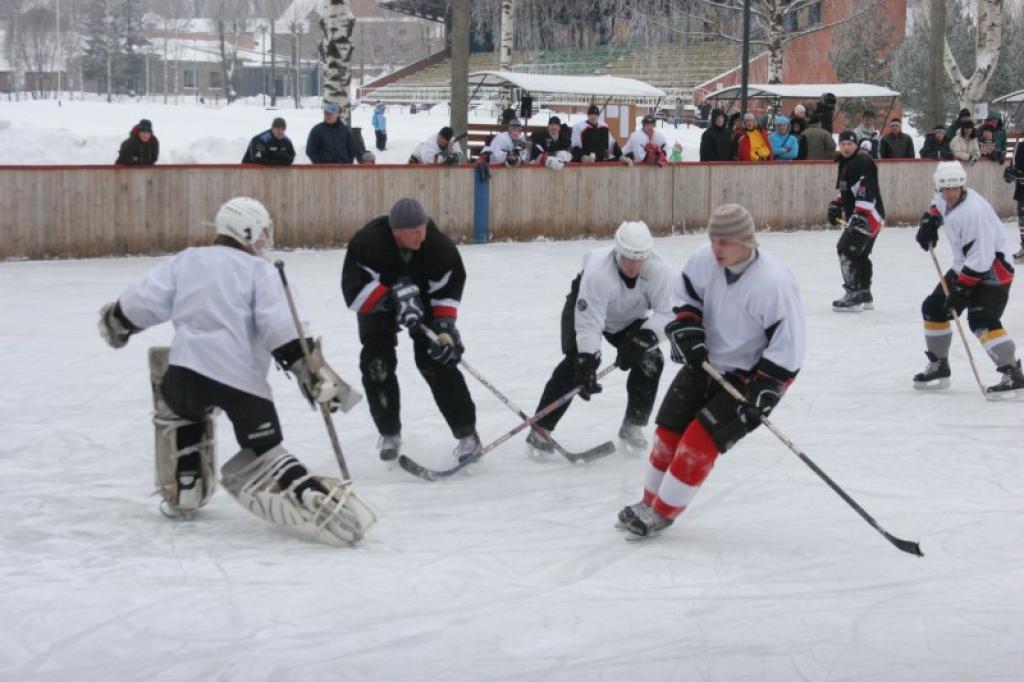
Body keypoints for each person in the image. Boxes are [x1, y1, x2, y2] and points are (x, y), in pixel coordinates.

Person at [96, 197, 374, 545]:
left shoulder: (188, 260)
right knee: (267, 450)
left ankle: (187, 485)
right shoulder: (262, 271)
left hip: (187, 372)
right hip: (241, 382)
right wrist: (308, 369)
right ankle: (307, 494)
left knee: (182, 411)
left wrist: (119, 320)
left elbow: (144, 301)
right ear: (245, 230)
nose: (263, 240)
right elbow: (280, 326)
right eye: (261, 232)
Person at [616, 204, 806, 538]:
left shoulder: (773, 283)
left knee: (697, 443)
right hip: (705, 362)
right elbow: (684, 299)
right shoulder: (703, 260)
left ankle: (663, 512)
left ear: (747, 242)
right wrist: (687, 329)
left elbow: (790, 345)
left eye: (726, 242)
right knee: (667, 432)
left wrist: (765, 391)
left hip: (749, 377)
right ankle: (648, 503)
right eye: (713, 239)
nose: (717, 248)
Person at [340, 197, 482, 463]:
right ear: (396, 231)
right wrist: (392, 298)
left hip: (425, 302)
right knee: (376, 362)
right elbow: (354, 290)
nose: (421, 235)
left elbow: (447, 292)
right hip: (379, 303)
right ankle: (389, 432)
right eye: (413, 231)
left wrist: (444, 327)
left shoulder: (439, 247)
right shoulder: (368, 242)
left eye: (423, 228)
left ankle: (467, 435)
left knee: (437, 359)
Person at [527, 221, 673, 453]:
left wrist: (644, 338)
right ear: (618, 251)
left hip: (628, 317)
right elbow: (588, 325)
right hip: (585, 309)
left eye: (640, 258)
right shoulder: (598, 274)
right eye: (628, 258)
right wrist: (587, 360)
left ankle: (633, 424)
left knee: (651, 360)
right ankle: (541, 430)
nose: (634, 265)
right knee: (574, 366)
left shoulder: (660, 272)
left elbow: (668, 313)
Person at [913, 161, 1023, 396]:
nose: (950, 193)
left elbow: (982, 259)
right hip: (965, 265)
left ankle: (1013, 373)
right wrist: (930, 222)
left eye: (955, 188)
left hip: (993, 269)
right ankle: (940, 365)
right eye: (946, 189)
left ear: (963, 186)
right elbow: (936, 205)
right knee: (933, 308)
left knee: (982, 320)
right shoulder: (943, 197)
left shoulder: (974, 212)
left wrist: (961, 292)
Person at [827, 130, 886, 312]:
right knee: (860, 254)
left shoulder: (863, 161)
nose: (846, 148)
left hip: (869, 216)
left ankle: (853, 294)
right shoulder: (845, 163)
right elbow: (846, 189)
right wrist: (837, 203)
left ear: (857, 145)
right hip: (866, 215)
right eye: (843, 144)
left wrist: (860, 214)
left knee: (846, 249)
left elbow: (865, 188)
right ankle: (864, 293)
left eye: (850, 145)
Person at [1005, 138, 1024, 262]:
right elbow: (1016, 167)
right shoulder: (1021, 146)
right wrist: (1011, 173)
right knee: (1022, 221)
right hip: (1022, 191)